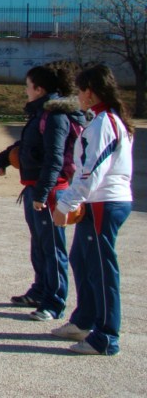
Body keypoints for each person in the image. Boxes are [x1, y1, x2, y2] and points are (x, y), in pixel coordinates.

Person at [52, 64, 134, 356]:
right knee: (82, 259)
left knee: (101, 269)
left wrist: (66, 204)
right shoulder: (104, 120)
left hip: (104, 202)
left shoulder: (103, 124)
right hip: (99, 202)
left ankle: (106, 336)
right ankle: (84, 320)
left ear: (90, 92)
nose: (77, 95)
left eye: (80, 89)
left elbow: (92, 171)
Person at [0, 64, 85, 322]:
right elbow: (30, 145)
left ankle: (55, 302)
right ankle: (39, 290)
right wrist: (5, 158)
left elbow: (55, 158)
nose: (26, 91)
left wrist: (43, 194)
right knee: (40, 243)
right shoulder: (42, 113)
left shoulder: (55, 116)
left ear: (40, 89)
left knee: (53, 247)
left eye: (28, 86)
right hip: (36, 186)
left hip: (51, 190)